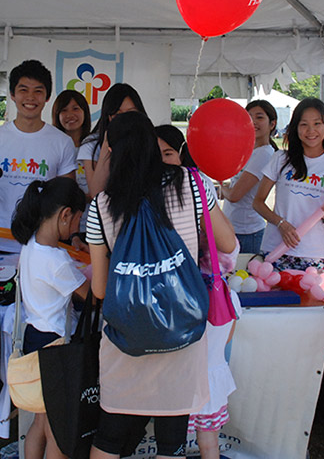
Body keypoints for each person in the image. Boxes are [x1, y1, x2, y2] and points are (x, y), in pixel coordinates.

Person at [86, 111, 237, 459]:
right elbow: (227, 244)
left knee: (110, 434)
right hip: (181, 331)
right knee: (172, 439)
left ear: (112, 151)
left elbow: (99, 290)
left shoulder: (101, 207)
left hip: (127, 336)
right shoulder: (193, 185)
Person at [155, 125, 241, 459]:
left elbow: (228, 244)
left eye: (168, 153)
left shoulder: (193, 185)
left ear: (182, 154)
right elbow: (229, 247)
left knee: (174, 427)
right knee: (186, 432)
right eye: (155, 155)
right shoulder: (187, 185)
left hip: (179, 304)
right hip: (181, 304)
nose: (162, 162)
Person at [11, 177, 89, 459]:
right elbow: (92, 293)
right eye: (78, 220)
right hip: (55, 347)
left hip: (34, 338)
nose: (78, 228)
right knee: (60, 425)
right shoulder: (57, 261)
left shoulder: (31, 245)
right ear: (65, 214)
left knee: (41, 421)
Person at [0, 60, 77, 253]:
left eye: (38, 91)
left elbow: (67, 196)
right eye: (23, 90)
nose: (30, 98)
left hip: (41, 245)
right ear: (12, 95)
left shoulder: (62, 142)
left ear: (47, 97)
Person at [253, 98, 324, 271]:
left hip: (313, 253)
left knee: (309, 298)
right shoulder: (280, 159)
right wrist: (281, 224)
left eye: (317, 123)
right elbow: (257, 202)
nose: (311, 131)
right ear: (296, 127)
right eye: (304, 124)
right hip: (275, 248)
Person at [219, 100, 278, 255]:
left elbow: (234, 195)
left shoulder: (263, 154)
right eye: (249, 117)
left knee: (244, 277)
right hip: (235, 228)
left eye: (259, 117)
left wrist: (221, 189)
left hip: (247, 233)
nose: (253, 122)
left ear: (272, 124)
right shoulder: (250, 150)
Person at [78, 83, 147, 197]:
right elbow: (95, 192)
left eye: (131, 113)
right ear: (108, 116)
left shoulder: (151, 140)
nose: (126, 120)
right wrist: (107, 144)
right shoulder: (92, 144)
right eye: (118, 114)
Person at [51, 89, 92, 241]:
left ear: (85, 112)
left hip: (90, 226)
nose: (70, 115)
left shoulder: (95, 146)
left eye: (76, 108)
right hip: (60, 227)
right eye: (64, 110)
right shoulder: (52, 146)